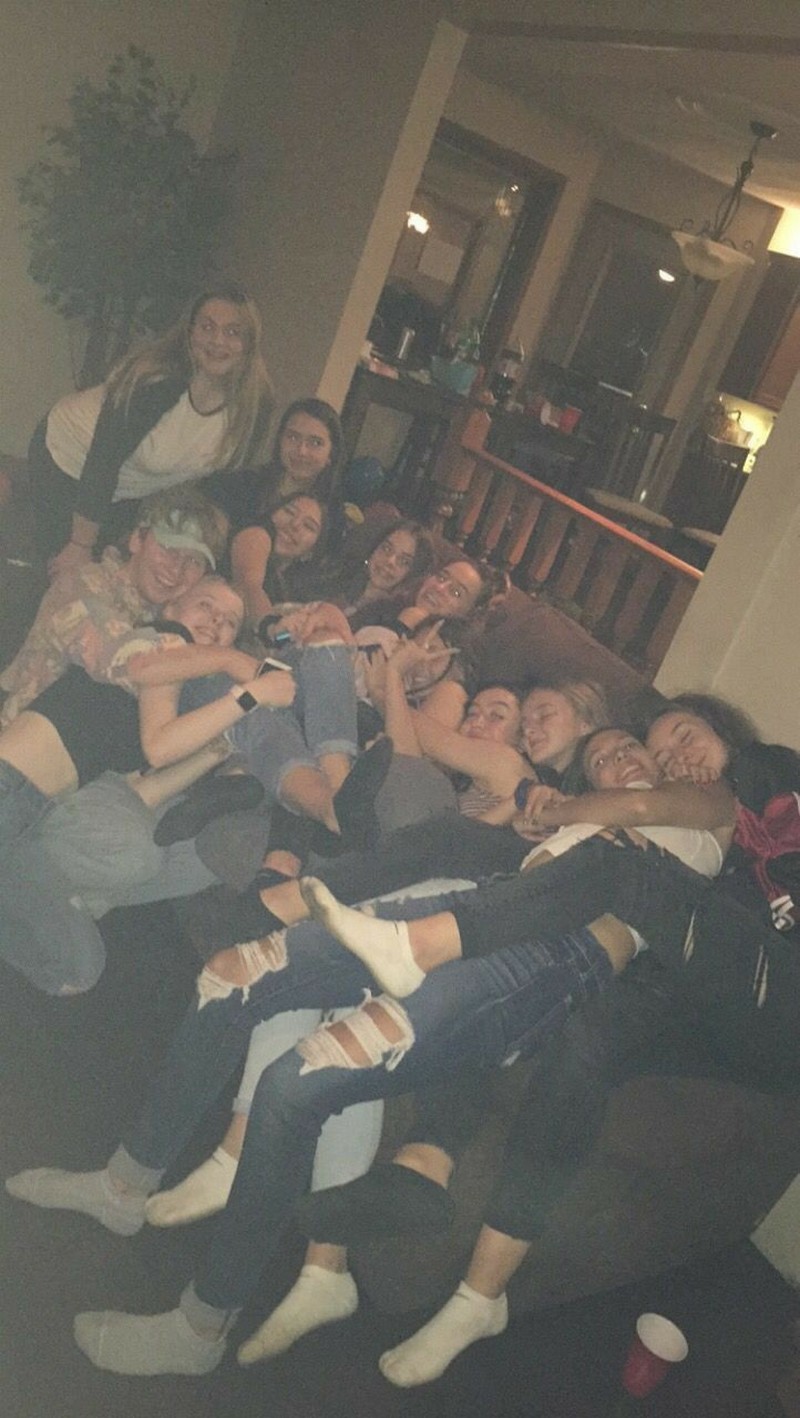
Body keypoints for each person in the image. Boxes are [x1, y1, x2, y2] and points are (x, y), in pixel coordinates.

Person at [5, 729, 750, 1378]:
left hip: (547, 961)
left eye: (633, 747)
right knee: (230, 977)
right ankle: (124, 1185)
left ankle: (200, 1326)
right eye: (605, 756)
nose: (622, 759)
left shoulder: (704, 810)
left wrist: (552, 805)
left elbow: (640, 812)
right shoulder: (581, 824)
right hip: (475, 912)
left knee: (299, 1080)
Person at [28, 283, 273, 574]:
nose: (217, 341)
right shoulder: (157, 381)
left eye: (233, 332)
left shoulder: (254, 405)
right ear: (190, 332)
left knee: (113, 573)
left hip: (131, 488)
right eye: (207, 327)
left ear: (250, 342)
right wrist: (80, 545)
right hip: (68, 460)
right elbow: (103, 460)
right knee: (65, 570)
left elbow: (216, 487)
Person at [0, 486, 227, 727]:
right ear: (137, 540)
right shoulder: (84, 586)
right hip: (19, 739)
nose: (176, 569)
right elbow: (128, 662)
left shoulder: (167, 615)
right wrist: (227, 661)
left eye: (193, 561)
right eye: (169, 549)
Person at [204, 396, 343, 531]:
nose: (302, 451)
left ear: (331, 454)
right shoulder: (239, 486)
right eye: (293, 437)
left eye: (315, 443)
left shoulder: (334, 519)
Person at [229, 492, 330, 630]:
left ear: (311, 552)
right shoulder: (257, 535)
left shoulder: (285, 585)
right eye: (289, 512)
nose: (295, 524)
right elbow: (249, 587)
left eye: (308, 526)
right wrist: (272, 629)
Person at [329, 517, 434, 618]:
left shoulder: (392, 619)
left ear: (412, 573)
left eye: (404, 561)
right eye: (387, 549)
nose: (390, 561)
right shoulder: (337, 577)